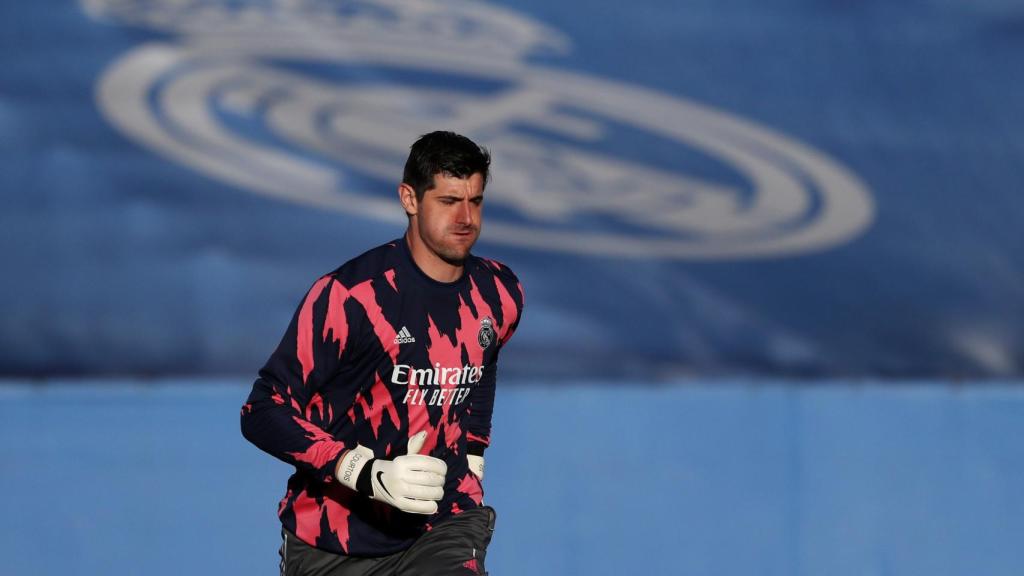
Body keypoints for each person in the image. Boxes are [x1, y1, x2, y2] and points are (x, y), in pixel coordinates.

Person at [241, 131, 524, 576]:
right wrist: (364, 470)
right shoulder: (351, 297)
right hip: (334, 537)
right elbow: (261, 410)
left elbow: (484, 359)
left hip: (444, 523)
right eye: (449, 201)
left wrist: (473, 447)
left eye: (476, 200)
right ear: (409, 199)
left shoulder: (499, 292)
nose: (466, 218)